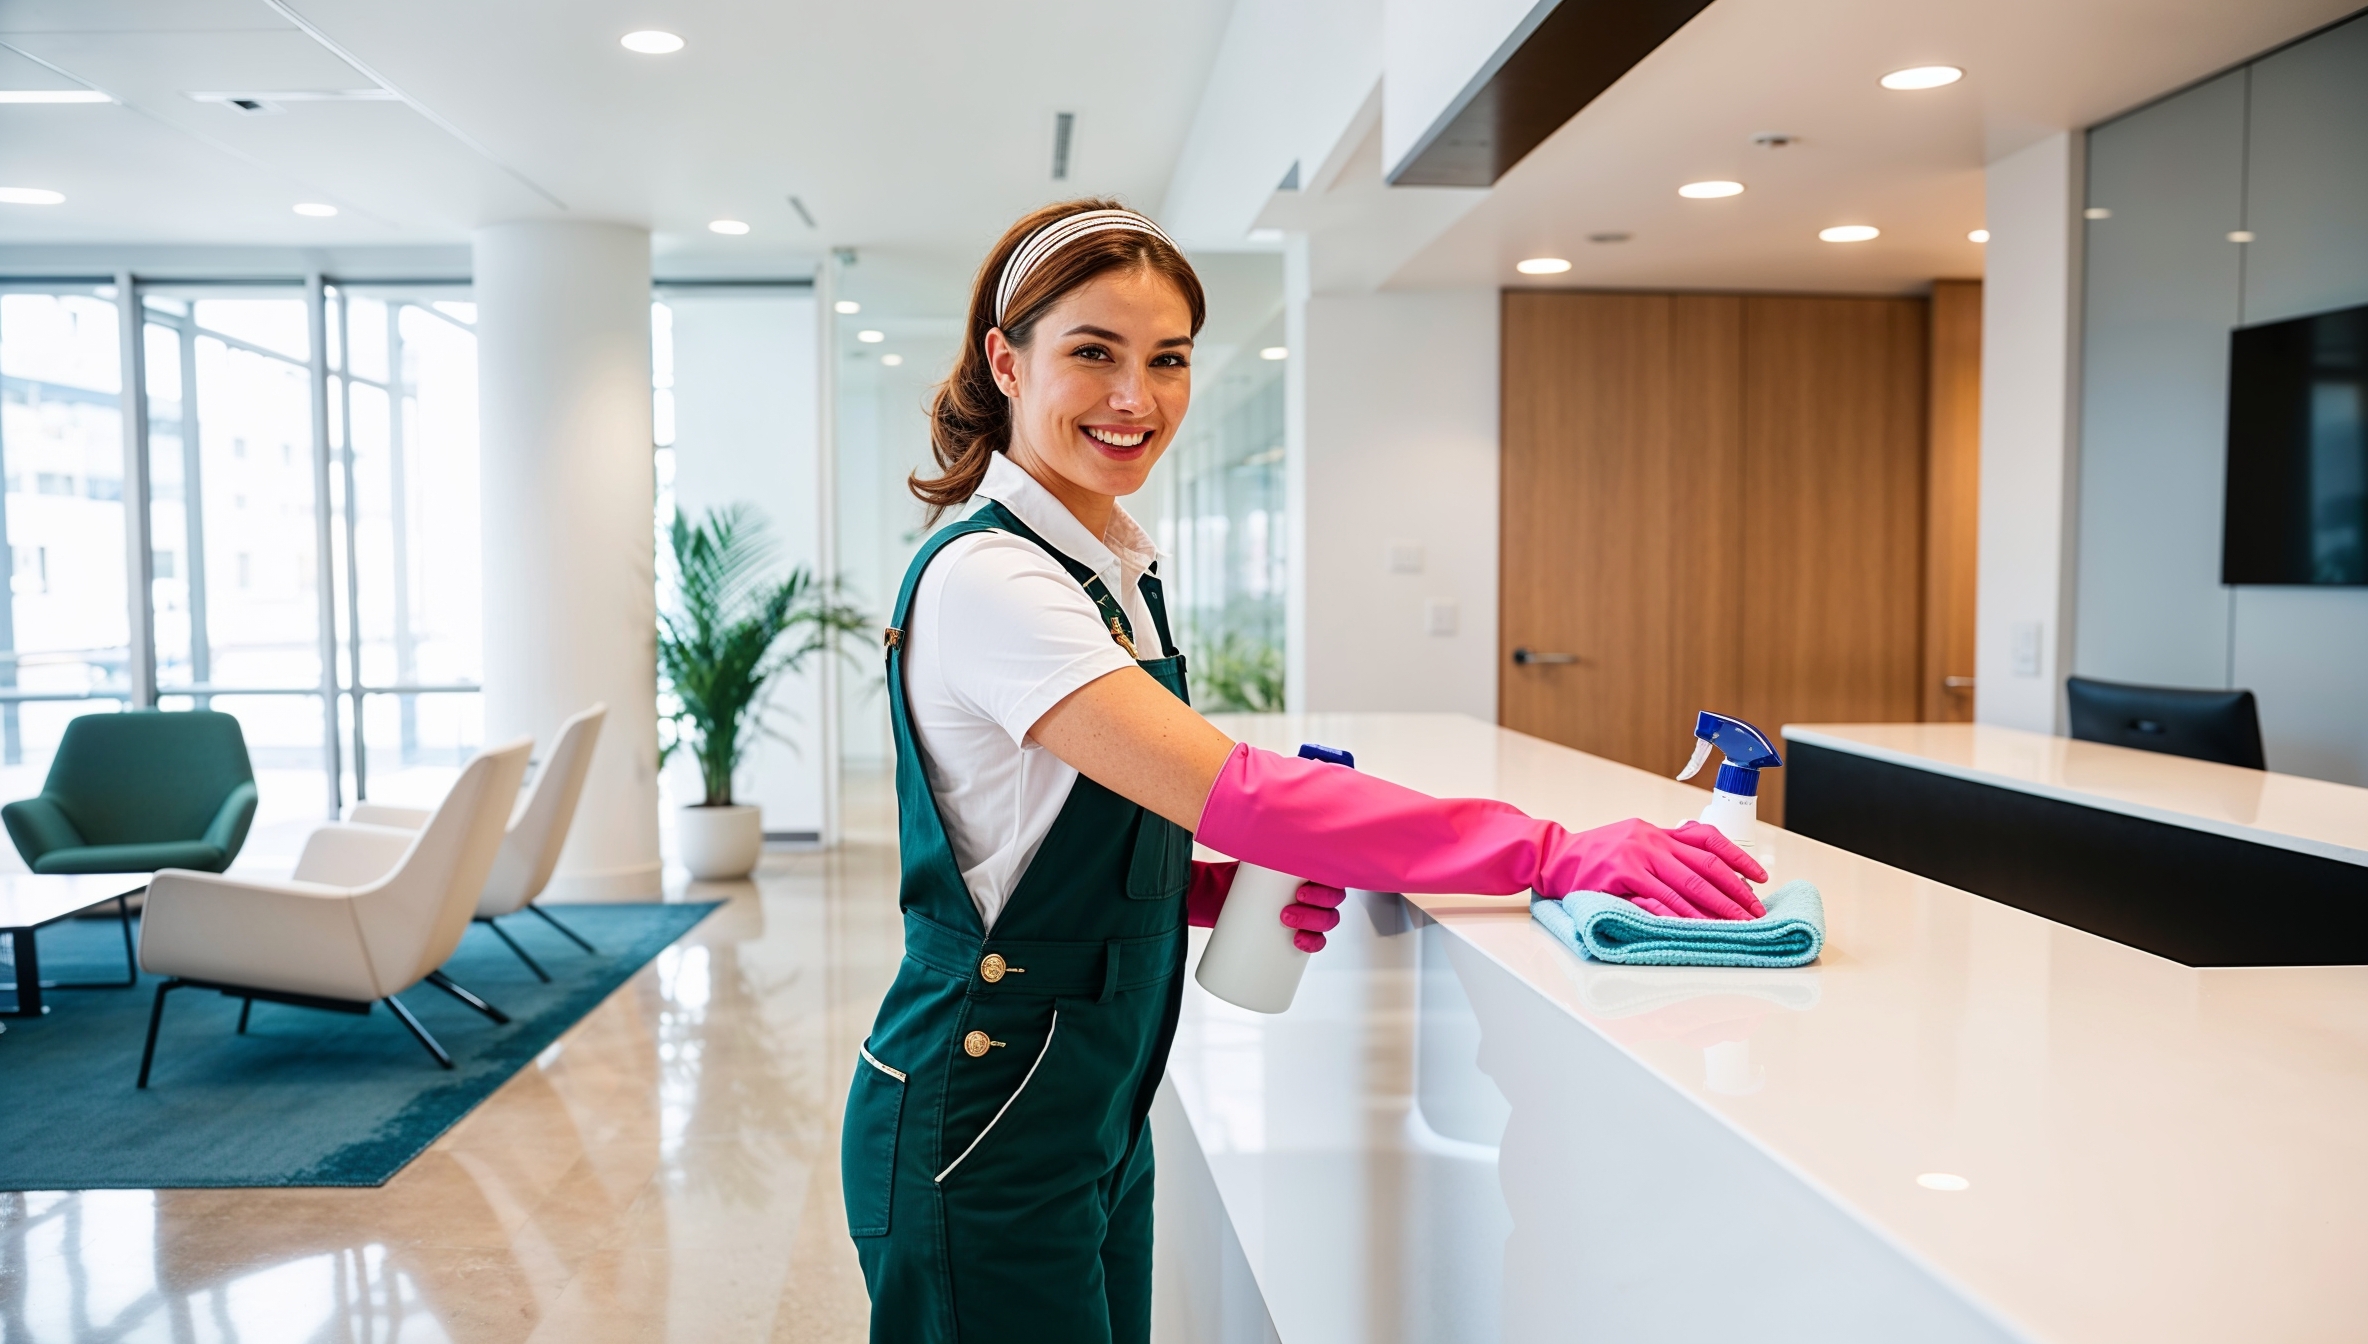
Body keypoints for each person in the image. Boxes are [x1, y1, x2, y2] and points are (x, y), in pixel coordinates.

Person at [841, 199, 1768, 1344]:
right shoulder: (997, 581)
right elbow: (1240, 790)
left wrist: (1199, 891)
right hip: (981, 1112)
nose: (1137, 399)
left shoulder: (1106, 570)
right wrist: (1552, 853)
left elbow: (1023, 836)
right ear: (1005, 360)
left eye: (1167, 359)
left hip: (1088, 1104)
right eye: (1094, 353)